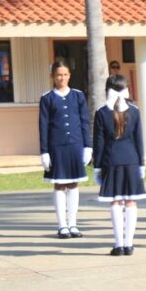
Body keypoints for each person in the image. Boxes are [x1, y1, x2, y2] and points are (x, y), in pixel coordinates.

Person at [38, 59, 92, 239]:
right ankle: (62, 225)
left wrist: (88, 146)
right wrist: (44, 151)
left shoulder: (78, 96)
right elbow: (43, 125)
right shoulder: (47, 98)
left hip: (75, 145)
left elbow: (84, 122)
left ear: (70, 75)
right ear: (52, 76)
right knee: (60, 184)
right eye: (58, 75)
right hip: (56, 146)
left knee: (74, 183)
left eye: (65, 74)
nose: (62, 78)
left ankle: (73, 224)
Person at [93, 75, 145, 256]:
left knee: (115, 201)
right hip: (131, 160)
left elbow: (99, 143)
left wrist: (97, 166)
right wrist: (141, 164)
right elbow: (139, 140)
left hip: (111, 160)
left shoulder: (101, 112)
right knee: (131, 201)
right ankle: (129, 244)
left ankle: (119, 244)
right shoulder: (135, 111)